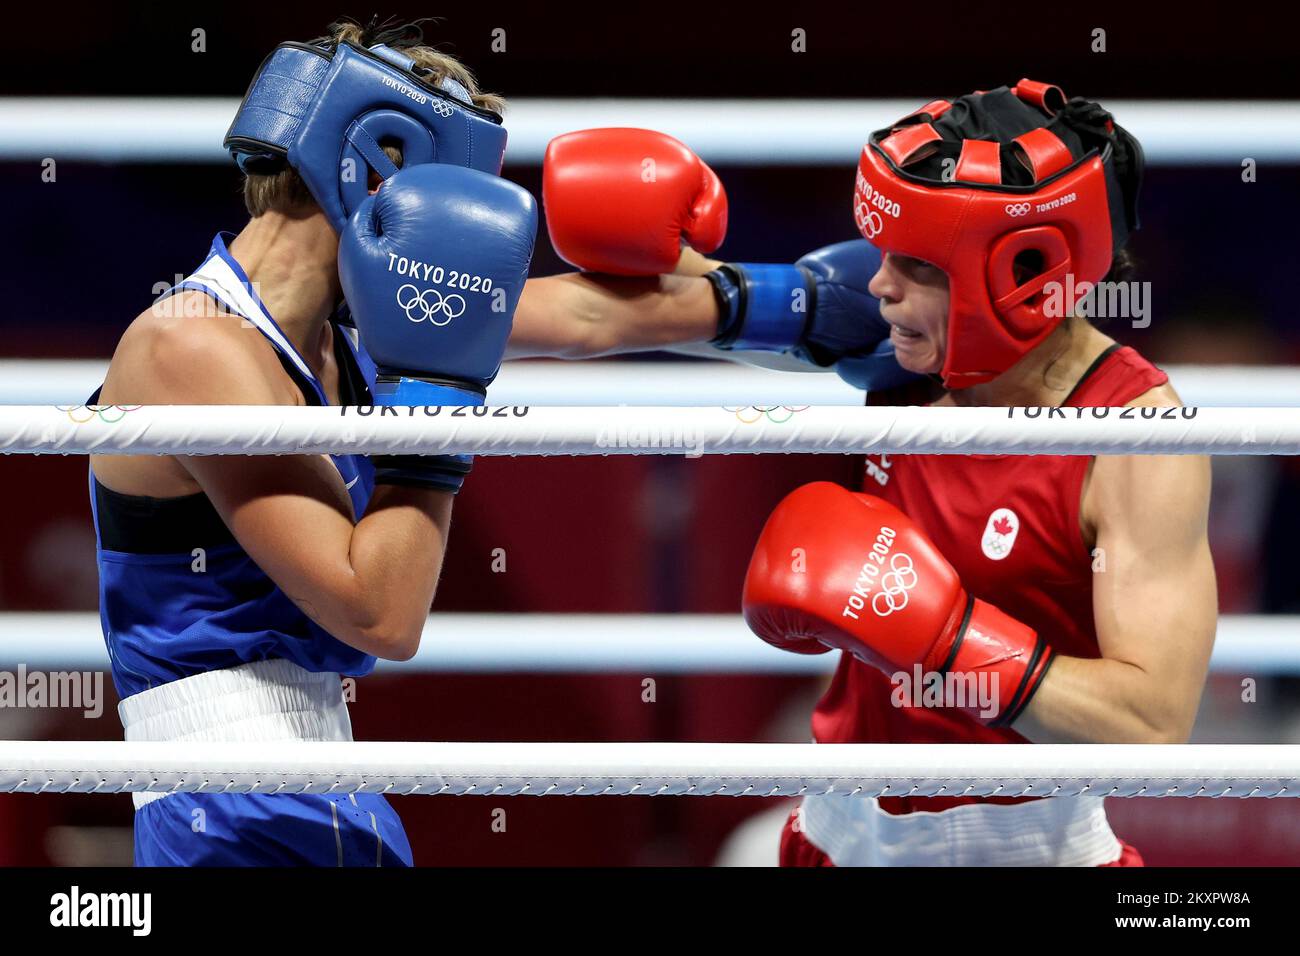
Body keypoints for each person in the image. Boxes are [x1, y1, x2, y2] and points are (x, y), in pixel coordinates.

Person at [89, 18, 536, 865]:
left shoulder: (343, 340)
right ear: (378, 167)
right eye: (451, 193)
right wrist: (440, 401)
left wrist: (773, 302)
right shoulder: (192, 345)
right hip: (239, 804)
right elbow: (381, 612)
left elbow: (576, 317)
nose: (457, 227)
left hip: (307, 788)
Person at [741, 81, 1217, 866]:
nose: (879, 285)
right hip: (832, 838)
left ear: (1023, 271)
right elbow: (683, 315)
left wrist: (949, 642)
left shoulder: (1136, 435)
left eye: (915, 264)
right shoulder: (898, 340)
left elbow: (1152, 723)